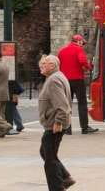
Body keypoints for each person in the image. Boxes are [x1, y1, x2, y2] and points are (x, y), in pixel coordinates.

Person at [38, 54, 76, 191]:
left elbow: (62, 104)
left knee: (50, 160)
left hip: (54, 123)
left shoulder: (54, 80)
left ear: (52, 66)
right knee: (46, 152)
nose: (41, 66)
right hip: (53, 121)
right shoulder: (56, 76)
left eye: (44, 64)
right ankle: (66, 178)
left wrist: (58, 121)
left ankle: (57, 187)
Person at [58, 34, 98, 135]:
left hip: (65, 80)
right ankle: (84, 127)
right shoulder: (78, 50)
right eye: (82, 43)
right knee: (82, 104)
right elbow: (82, 61)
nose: (82, 45)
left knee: (67, 104)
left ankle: (67, 128)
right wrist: (89, 67)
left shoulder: (62, 51)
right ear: (79, 41)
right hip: (78, 79)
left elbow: (58, 64)